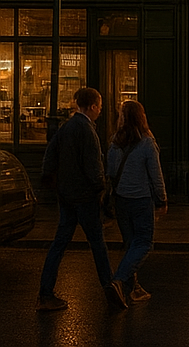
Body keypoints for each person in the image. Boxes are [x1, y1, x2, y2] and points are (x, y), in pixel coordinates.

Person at [37, 86, 121, 311]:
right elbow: (94, 167)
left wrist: (52, 181)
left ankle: (45, 293)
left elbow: (50, 155)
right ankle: (110, 289)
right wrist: (101, 191)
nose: (100, 112)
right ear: (92, 107)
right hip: (85, 197)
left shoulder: (66, 128)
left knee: (59, 243)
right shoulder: (87, 131)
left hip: (66, 196)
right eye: (99, 107)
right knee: (97, 244)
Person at [106, 99, 168, 305]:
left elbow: (111, 172)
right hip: (141, 200)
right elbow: (156, 175)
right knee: (143, 243)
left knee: (130, 243)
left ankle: (134, 289)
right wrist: (161, 199)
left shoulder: (115, 141)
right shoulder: (147, 142)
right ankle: (119, 280)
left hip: (121, 200)